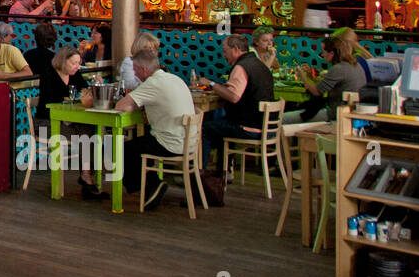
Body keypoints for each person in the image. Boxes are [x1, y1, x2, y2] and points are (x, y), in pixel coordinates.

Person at [114, 49, 196, 211]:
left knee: (119, 149)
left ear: (144, 69)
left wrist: (135, 105)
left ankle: (151, 186)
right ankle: (150, 186)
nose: (135, 74)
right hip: (190, 142)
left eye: (135, 70)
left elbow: (121, 106)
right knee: (139, 143)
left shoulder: (152, 83)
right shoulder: (175, 78)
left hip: (170, 143)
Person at [199, 33, 274, 168]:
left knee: (204, 128)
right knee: (220, 125)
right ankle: (223, 172)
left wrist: (211, 84)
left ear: (236, 49)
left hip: (248, 127)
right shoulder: (260, 65)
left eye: (225, 51)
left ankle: (199, 174)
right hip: (266, 127)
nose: (224, 55)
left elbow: (234, 97)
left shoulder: (241, 67)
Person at [40, 47, 103, 199]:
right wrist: (72, 100)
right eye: (74, 63)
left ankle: (86, 175)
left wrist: (95, 86)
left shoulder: (75, 75)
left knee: (90, 130)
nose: (77, 66)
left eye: (79, 63)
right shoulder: (49, 75)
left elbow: (85, 93)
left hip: (69, 119)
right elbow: (51, 102)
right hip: (47, 121)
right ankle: (86, 178)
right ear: (63, 61)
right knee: (81, 136)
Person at [294, 36, 366, 122]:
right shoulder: (355, 65)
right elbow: (323, 85)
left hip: (335, 114)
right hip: (351, 112)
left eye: (323, 52)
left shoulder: (339, 69)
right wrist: (311, 77)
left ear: (332, 53)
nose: (322, 54)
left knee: (284, 119)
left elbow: (316, 91)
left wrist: (303, 76)